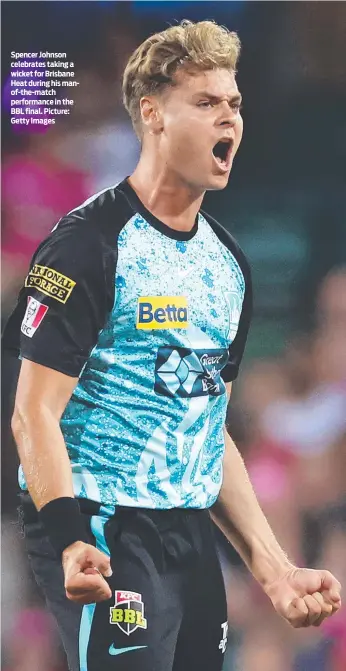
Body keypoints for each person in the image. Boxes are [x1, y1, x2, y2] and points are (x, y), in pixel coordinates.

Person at [3, 19, 342, 671]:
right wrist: (72, 536)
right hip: (104, 522)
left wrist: (273, 570)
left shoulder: (228, 267)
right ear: (153, 115)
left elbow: (207, 434)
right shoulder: (86, 246)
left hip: (185, 529)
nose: (230, 121)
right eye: (207, 103)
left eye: (235, 104)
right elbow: (32, 412)